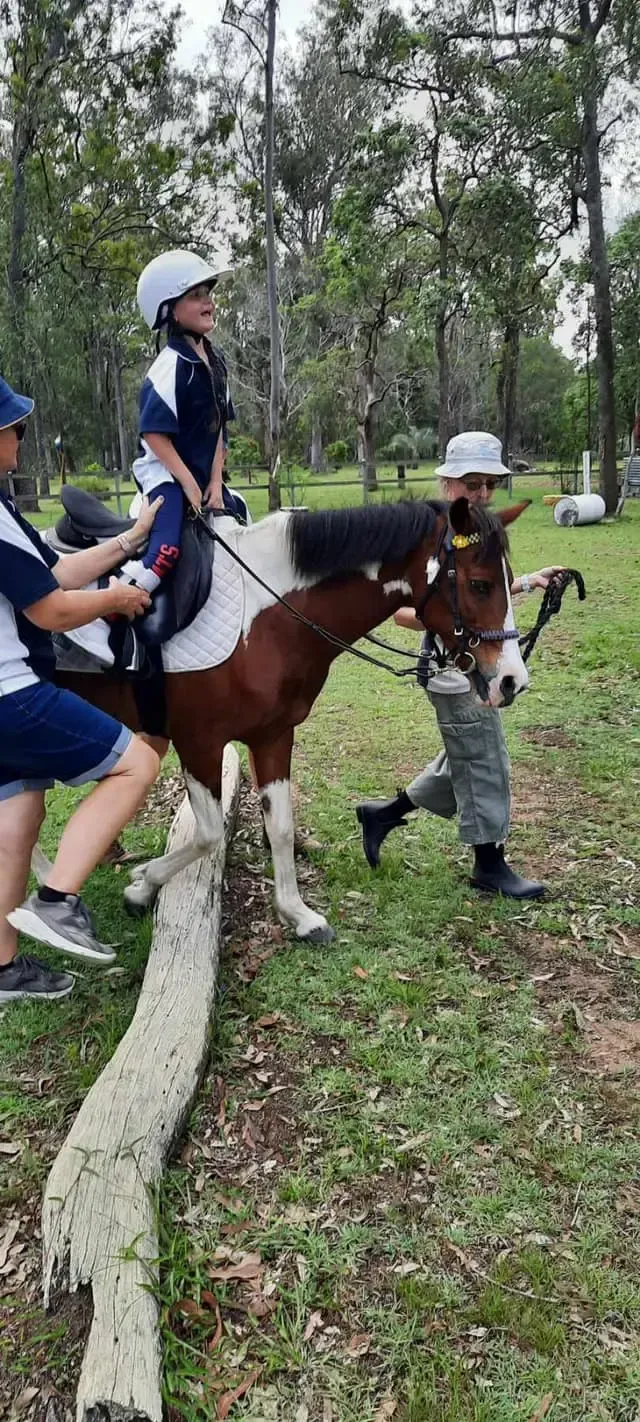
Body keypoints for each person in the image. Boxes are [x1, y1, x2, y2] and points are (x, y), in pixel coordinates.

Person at [0, 377, 163, 1003]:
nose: (21, 436)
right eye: (13, 428)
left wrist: (127, 540)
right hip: (12, 694)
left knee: (18, 814)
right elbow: (51, 609)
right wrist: (118, 597)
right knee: (136, 764)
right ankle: (58, 899)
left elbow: (52, 566)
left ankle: (5, 968)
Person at [356, 431, 564, 900]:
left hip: (469, 660)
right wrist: (453, 631)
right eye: (474, 483)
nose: (484, 494)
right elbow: (403, 611)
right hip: (454, 667)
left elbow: (478, 597)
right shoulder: (431, 538)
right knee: (484, 759)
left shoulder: (476, 535)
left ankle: (383, 815)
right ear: (449, 484)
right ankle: (489, 865)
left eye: (489, 484)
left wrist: (529, 581)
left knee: (463, 757)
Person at [67, 249, 238, 665]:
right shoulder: (168, 366)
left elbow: (220, 431)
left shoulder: (215, 363)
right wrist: (188, 482)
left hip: (200, 475)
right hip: (164, 474)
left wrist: (215, 483)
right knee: (166, 551)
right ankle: (111, 603)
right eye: (196, 295)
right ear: (169, 309)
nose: (208, 302)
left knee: (240, 520)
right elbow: (155, 434)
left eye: (208, 293)